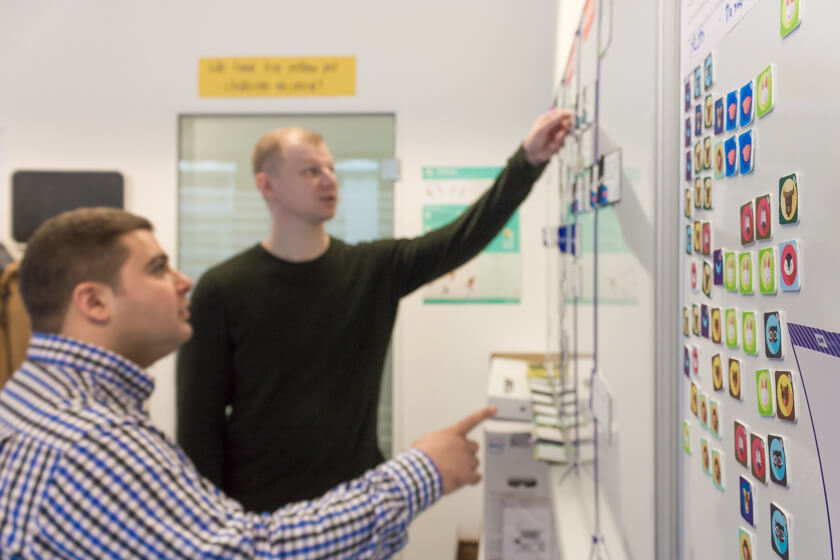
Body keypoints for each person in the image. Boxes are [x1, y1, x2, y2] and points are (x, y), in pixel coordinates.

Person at [0, 207, 494, 559]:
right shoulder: (92, 443)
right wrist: (422, 471)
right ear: (94, 302)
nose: (182, 281)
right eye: (156, 269)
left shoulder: (29, 402)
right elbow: (251, 552)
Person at [176, 108, 573, 510]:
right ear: (267, 185)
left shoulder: (374, 270)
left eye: (331, 168)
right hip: (259, 520)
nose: (329, 179)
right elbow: (198, 427)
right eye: (310, 171)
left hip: (359, 509)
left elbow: (463, 237)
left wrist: (527, 162)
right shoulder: (222, 289)